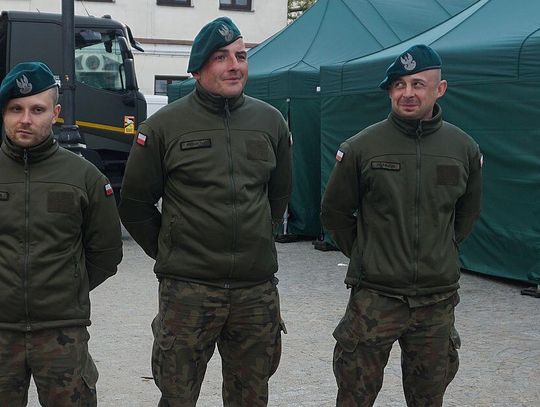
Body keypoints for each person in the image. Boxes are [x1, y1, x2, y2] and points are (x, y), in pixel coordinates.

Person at [119, 17, 292, 406]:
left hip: (255, 292)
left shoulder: (271, 122)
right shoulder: (163, 126)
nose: (234, 65)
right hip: (188, 293)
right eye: (221, 57)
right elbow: (135, 205)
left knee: (251, 396)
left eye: (241, 56)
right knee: (177, 396)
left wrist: (257, 239)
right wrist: (172, 250)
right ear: (197, 69)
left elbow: (279, 193)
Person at [321, 44, 482, 407]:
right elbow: (334, 213)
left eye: (418, 84)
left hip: (436, 301)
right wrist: (368, 253)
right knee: (355, 395)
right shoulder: (362, 147)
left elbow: (467, 214)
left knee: (429, 397)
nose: (407, 93)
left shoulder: (463, 148)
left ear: (439, 89)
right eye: (398, 85)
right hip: (375, 298)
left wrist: (440, 250)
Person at [0, 62, 123, 406]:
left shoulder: (84, 177)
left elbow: (106, 253)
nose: (25, 119)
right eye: (16, 109)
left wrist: (68, 287)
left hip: (62, 334)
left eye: (37, 110)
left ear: (55, 114)